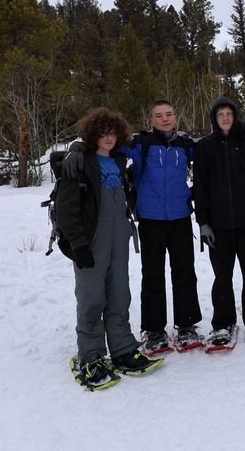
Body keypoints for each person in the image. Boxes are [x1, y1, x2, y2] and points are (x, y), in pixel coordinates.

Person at [64, 100, 203, 354]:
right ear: (150, 120)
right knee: (152, 275)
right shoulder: (140, 143)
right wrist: (76, 147)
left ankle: (187, 326)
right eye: (158, 115)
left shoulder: (185, 145)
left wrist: (196, 193)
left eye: (169, 114)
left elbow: (212, 156)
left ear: (175, 117)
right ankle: (154, 330)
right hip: (150, 219)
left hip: (180, 216)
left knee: (184, 271)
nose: (164, 119)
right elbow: (104, 141)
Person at [58, 108, 163, 390]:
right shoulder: (79, 163)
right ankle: (90, 356)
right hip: (91, 242)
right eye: (103, 134)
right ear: (93, 135)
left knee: (119, 293)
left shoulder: (117, 161)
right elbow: (67, 209)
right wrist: (77, 245)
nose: (108, 138)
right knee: (92, 298)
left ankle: (122, 348)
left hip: (119, 238)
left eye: (112, 133)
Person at [192, 97, 245, 349]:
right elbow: (200, 187)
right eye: (220, 114)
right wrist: (203, 222)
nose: (225, 117)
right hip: (218, 226)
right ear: (214, 119)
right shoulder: (206, 146)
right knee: (222, 276)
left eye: (229, 113)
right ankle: (223, 323)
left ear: (235, 115)